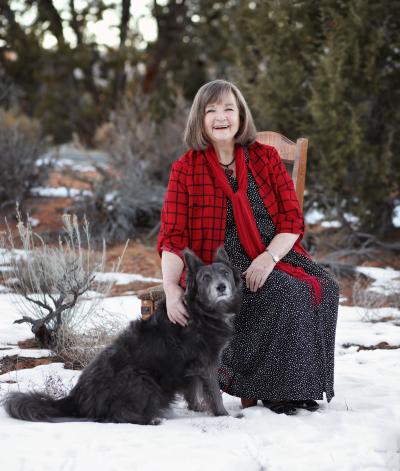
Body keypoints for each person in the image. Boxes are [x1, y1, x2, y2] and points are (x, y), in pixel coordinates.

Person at [157, 79, 339, 415]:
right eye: (211, 110)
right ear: (200, 120)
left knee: (326, 286)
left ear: (241, 115)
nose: (221, 116)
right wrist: (170, 287)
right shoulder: (186, 168)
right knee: (288, 291)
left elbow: (291, 221)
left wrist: (268, 258)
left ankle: (302, 386)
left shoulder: (264, 158)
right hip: (221, 264)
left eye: (228, 108)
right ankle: (273, 390)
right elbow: (173, 236)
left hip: (272, 251)